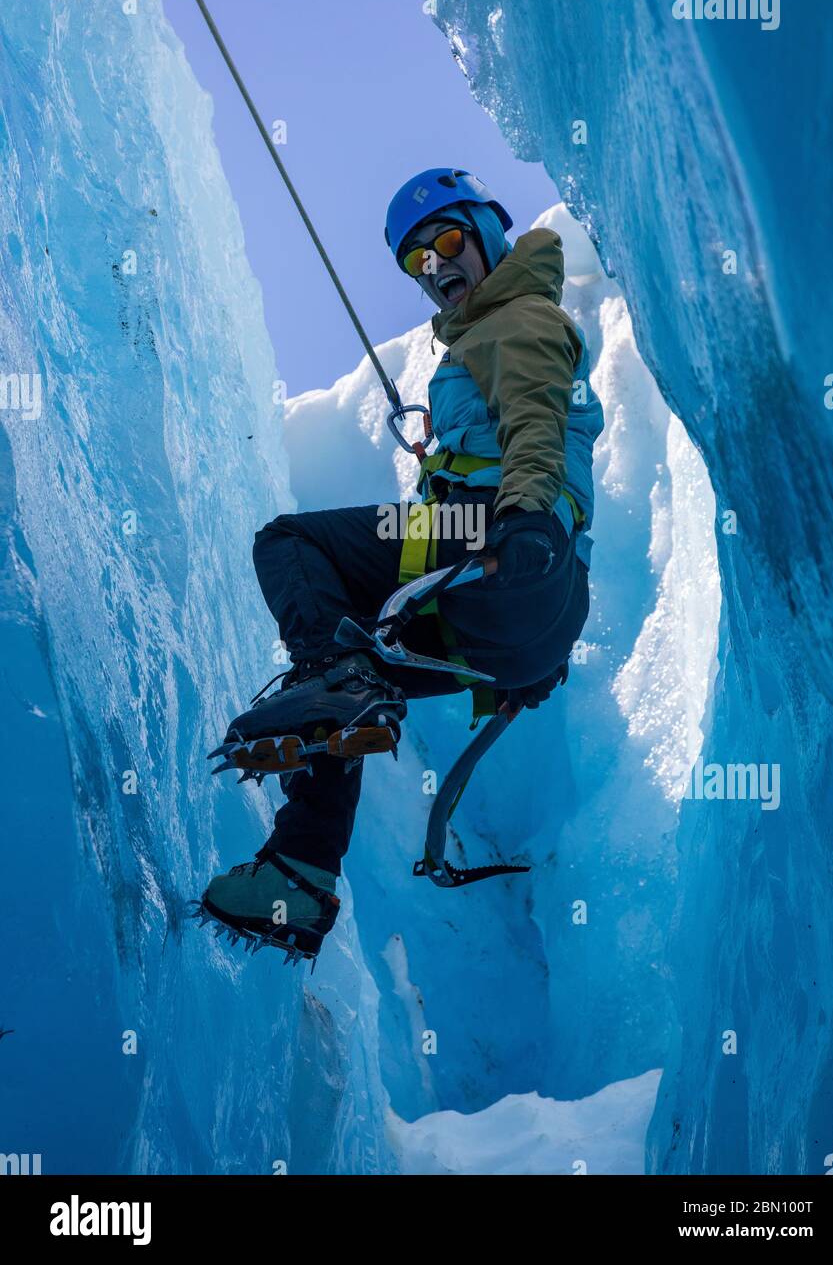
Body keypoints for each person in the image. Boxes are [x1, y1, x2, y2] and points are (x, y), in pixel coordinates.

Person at [198, 169, 604, 964]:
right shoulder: (485, 332)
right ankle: (299, 873)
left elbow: (536, 424)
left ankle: (343, 690)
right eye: (416, 261)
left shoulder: (519, 317)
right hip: (522, 605)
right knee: (339, 689)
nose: (434, 266)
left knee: (290, 544)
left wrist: (523, 526)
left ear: (486, 232)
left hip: (494, 539)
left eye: (447, 242)